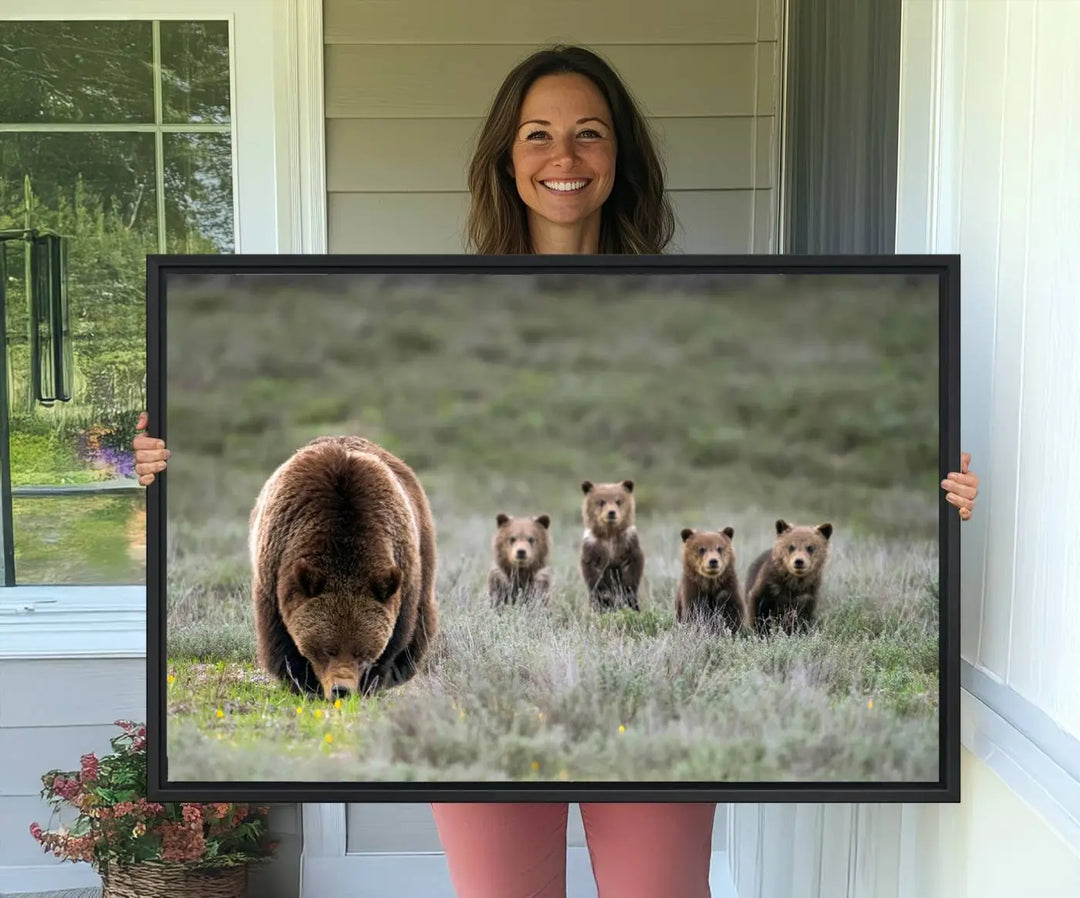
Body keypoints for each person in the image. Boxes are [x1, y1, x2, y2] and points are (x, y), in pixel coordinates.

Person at [132, 45, 980, 898]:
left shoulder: (695, 304)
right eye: (538, 135)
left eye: (589, 135)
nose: (563, 158)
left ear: (621, 158)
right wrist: (161, 466)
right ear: (508, 157)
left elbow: (779, 411)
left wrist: (940, 500)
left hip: (648, 700)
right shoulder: (442, 302)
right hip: (483, 681)